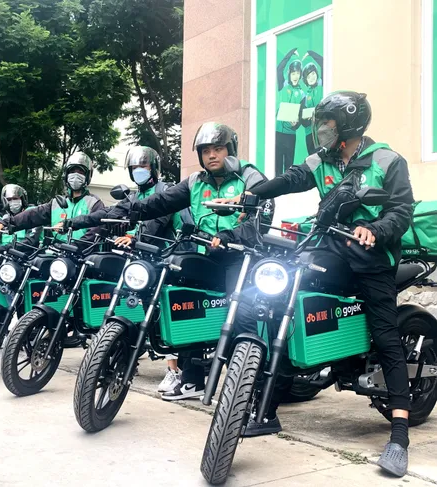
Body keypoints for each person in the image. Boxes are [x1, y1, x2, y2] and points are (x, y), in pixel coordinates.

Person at [216, 91, 413, 477]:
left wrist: (374, 229)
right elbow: (290, 179)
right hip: (331, 250)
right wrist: (250, 194)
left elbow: (401, 211)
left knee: (386, 336)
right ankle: (269, 406)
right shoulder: (321, 160)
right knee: (286, 297)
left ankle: (399, 437)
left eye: (328, 124)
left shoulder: (387, 160)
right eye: (320, 123)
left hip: (373, 259)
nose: (321, 129)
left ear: (348, 126)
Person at [109, 122, 273, 401]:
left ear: (230, 150)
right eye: (206, 151)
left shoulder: (249, 176)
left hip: (241, 257)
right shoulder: (195, 182)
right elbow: (159, 203)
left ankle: (251, 388)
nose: (212, 155)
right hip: (206, 254)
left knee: (242, 316)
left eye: (218, 149)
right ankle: (192, 379)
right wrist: (127, 212)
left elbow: (263, 219)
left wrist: (229, 235)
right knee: (185, 304)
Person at [62, 146, 193, 393]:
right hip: (147, 260)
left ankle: (174, 370)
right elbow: (108, 215)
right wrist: (74, 223)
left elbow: (156, 222)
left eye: (143, 166)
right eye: (134, 168)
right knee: (133, 302)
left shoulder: (164, 191)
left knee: (164, 310)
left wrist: (133, 238)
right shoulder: (133, 196)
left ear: (154, 169)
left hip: (171, 258)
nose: (139, 171)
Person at [4, 152, 105, 245]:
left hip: (84, 254)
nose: (75, 175)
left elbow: (94, 233)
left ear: (87, 176)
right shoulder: (57, 203)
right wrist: (9, 222)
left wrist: (74, 247)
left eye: (80, 172)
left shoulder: (94, 203)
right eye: (72, 171)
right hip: (57, 251)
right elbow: (33, 215)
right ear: (66, 174)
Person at [276, 48, 305, 176]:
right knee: (276, 165)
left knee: (289, 167)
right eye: (293, 73)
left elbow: (301, 116)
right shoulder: (283, 86)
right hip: (277, 132)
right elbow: (279, 69)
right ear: (289, 74)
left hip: (290, 135)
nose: (295, 76)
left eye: (298, 73)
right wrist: (291, 53)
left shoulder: (302, 94)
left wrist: (296, 124)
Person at [299, 50, 324, 154]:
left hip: (323, 131)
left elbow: (324, 64)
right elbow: (302, 120)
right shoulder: (305, 97)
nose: (312, 78)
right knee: (312, 160)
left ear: (316, 73)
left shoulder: (323, 85)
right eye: (308, 76)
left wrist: (311, 53)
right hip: (310, 134)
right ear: (305, 80)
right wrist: (306, 119)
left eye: (313, 74)